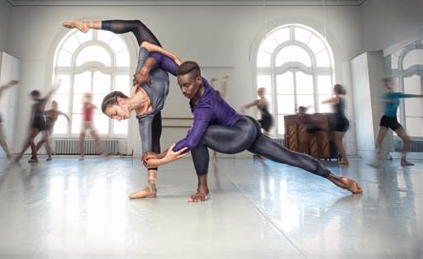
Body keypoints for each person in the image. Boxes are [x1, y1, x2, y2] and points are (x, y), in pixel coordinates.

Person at [136, 42, 363, 202]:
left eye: (187, 85)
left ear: (197, 80)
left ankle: (203, 188)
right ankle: (339, 180)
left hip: (241, 133)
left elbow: (193, 139)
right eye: (180, 86)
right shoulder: (196, 78)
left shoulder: (204, 105)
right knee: (288, 157)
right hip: (246, 127)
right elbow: (163, 58)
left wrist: (160, 158)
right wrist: (146, 68)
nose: (183, 90)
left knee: (199, 136)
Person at [63, 19, 177, 198]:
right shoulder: (144, 119)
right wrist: (157, 161)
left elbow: (147, 45)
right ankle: (151, 187)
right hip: (154, 105)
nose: (118, 119)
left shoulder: (141, 76)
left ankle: (88, 25)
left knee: (137, 26)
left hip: (159, 61)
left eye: (114, 114)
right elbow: (149, 154)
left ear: (121, 101)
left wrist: (173, 59)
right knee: (154, 141)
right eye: (113, 118)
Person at [374, 77, 423, 167]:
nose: (388, 85)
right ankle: (377, 160)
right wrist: (385, 100)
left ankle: (403, 160)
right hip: (385, 119)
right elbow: (379, 100)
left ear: (393, 84)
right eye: (386, 84)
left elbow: (409, 95)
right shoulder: (386, 95)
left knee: (407, 140)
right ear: (385, 85)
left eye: (389, 83)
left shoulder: (397, 95)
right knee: (379, 141)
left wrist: (420, 95)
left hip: (393, 120)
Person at [17, 82, 60, 162]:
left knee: (33, 140)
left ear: (35, 96)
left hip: (38, 122)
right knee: (36, 140)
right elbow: (32, 116)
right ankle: (30, 156)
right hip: (41, 122)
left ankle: (32, 156)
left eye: (32, 96)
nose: (32, 98)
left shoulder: (40, 102)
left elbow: (50, 93)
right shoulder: (37, 104)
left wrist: (55, 86)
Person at [322, 84, 350, 166]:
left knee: (337, 141)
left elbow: (324, 101)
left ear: (335, 90)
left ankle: (345, 159)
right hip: (344, 121)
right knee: (339, 141)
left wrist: (324, 101)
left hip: (340, 122)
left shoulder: (336, 98)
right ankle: (343, 158)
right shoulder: (342, 99)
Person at [79, 92, 105, 160]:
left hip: (90, 123)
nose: (89, 98)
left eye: (90, 97)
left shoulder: (92, 105)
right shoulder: (84, 104)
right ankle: (82, 156)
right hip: (84, 123)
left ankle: (101, 153)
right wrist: (86, 95)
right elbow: (84, 100)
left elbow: (98, 108)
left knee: (97, 138)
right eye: (88, 97)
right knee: (81, 140)